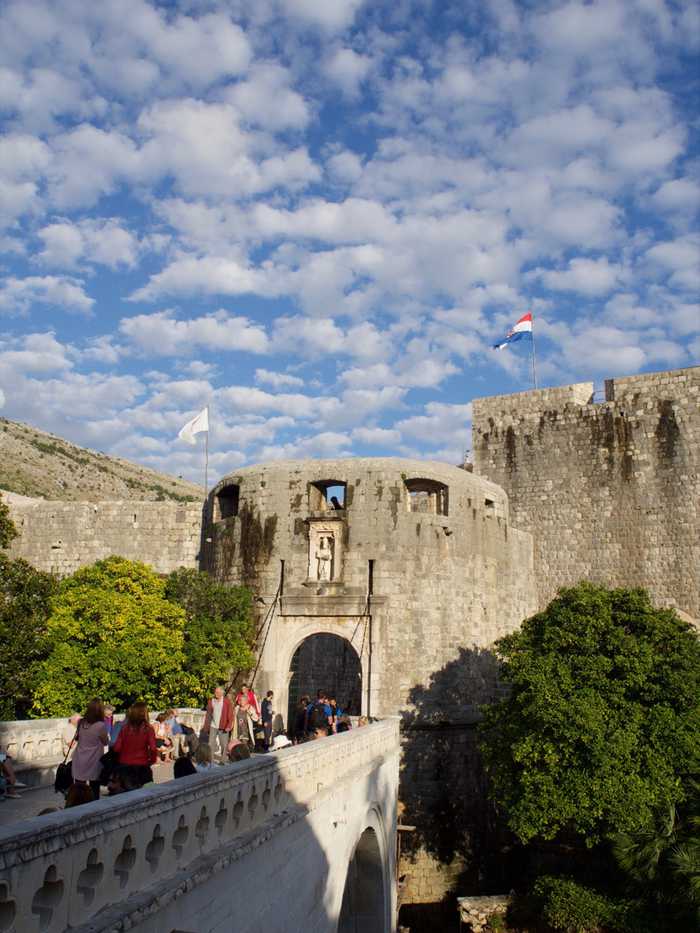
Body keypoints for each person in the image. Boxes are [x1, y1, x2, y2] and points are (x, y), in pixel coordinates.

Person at [113, 701, 157, 789]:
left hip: (125, 764)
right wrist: (152, 760)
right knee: (146, 792)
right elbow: (153, 748)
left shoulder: (125, 728)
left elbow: (117, 748)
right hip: (142, 764)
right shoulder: (148, 729)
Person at [71, 698, 109, 801]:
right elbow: (105, 742)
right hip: (94, 759)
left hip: (80, 757)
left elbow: (77, 738)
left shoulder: (81, 722)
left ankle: (78, 805)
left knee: (79, 788)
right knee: (94, 788)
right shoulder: (100, 725)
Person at [203, 686, 234, 762]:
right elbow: (208, 714)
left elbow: (230, 714)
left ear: (222, 693)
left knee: (223, 744)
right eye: (215, 692)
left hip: (223, 726)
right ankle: (211, 760)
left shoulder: (227, 702)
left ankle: (223, 760)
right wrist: (206, 727)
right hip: (213, 725)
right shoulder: (211, 701)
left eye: (218, 692)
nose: (216, 693)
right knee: (210, 743)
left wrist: (229, 725)